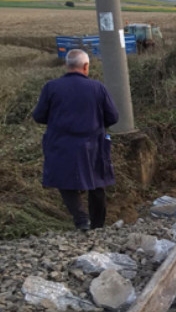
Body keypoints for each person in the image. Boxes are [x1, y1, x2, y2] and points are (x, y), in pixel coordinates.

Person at [32, 49, 119, 231]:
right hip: (93, 144)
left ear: (67, 65)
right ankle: (98, 225)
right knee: (97, 182)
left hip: (61, 144)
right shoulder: (98, 88)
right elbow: (113, 117)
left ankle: (81, 220)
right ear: (86, 66)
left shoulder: (51, 87)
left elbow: (39, 116)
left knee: (66, 182)